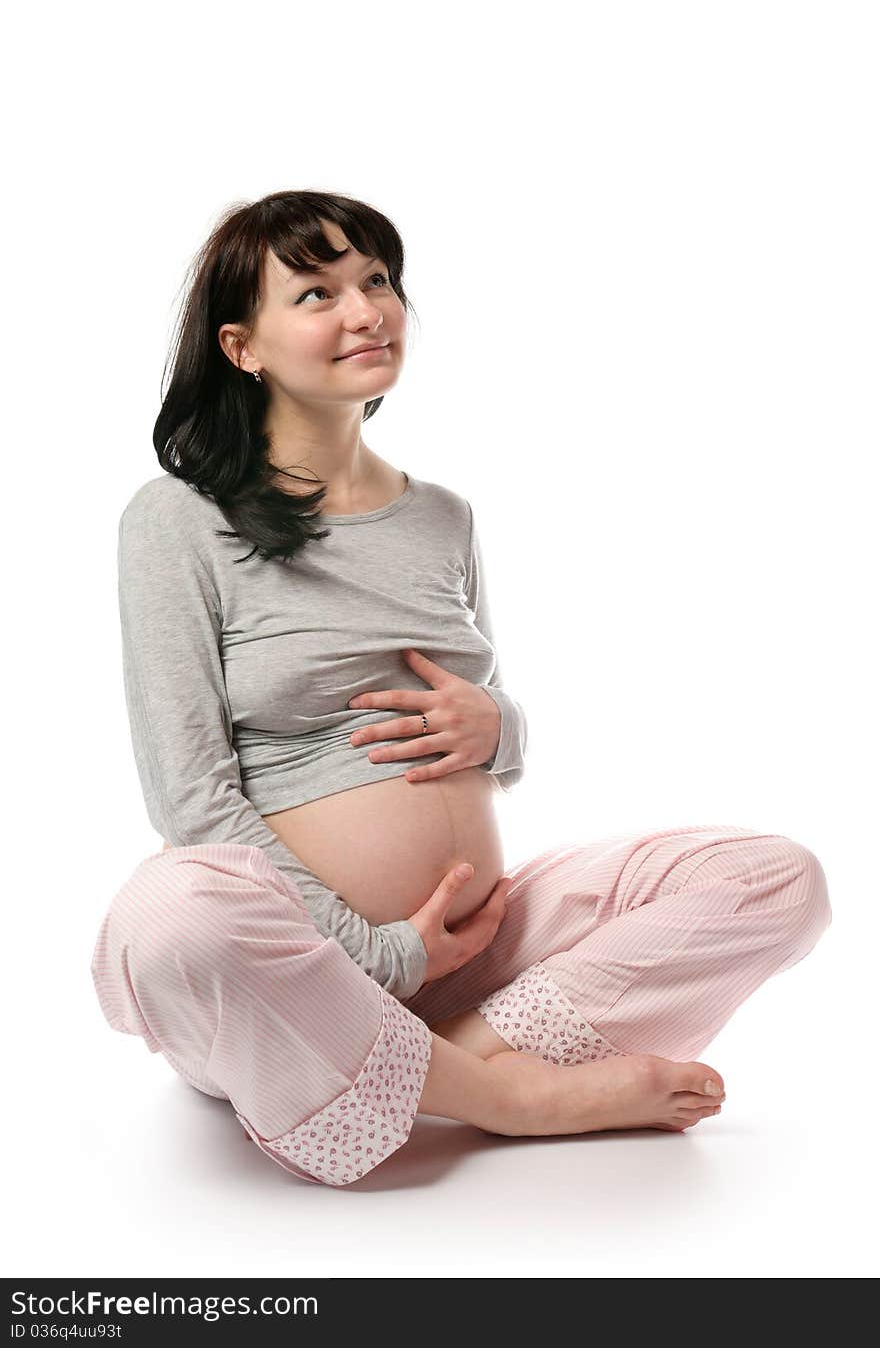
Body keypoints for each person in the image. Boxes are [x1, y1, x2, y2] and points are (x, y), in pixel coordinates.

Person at [90, 190, 832, 1187]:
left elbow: (480, 731)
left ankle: (423, 1069)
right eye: (316, 293)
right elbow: (189, 794)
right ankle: (506, 1096)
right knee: (172, 914)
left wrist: (501, 728)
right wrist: (381, 953)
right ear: (242, 347)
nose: (366, 312)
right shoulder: (176, 522)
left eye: (377, 281)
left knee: (778, 879)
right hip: (298, 967)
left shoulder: (441, 516)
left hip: (474, 955)